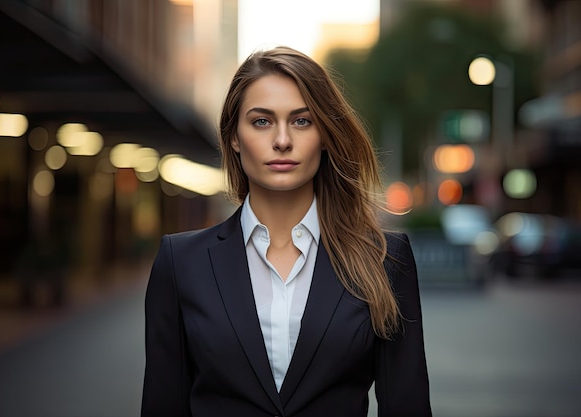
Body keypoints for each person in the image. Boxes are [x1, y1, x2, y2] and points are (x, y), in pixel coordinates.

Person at [141, 46, 431, 417]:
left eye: (301, 121)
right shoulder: (180, 263)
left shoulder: (385, 259)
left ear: (325, 135)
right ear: (233, 136)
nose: (282, 140)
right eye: (261, 121)